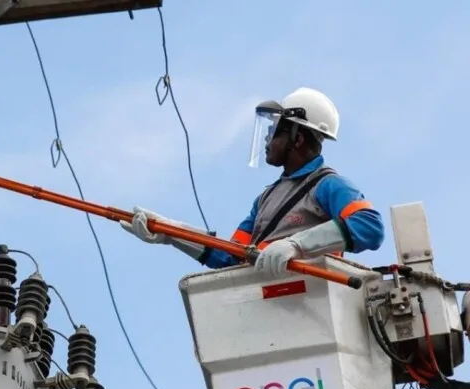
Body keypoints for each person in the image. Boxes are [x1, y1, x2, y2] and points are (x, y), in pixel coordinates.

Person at [121, 87, 385, 278]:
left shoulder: (329, 185)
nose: (267, 141)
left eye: (274, 132)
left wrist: (297, 245)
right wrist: (170, 232)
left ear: (298, 138)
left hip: (313, 302)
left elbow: (369, 227)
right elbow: (232, 257)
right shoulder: (265, 199)